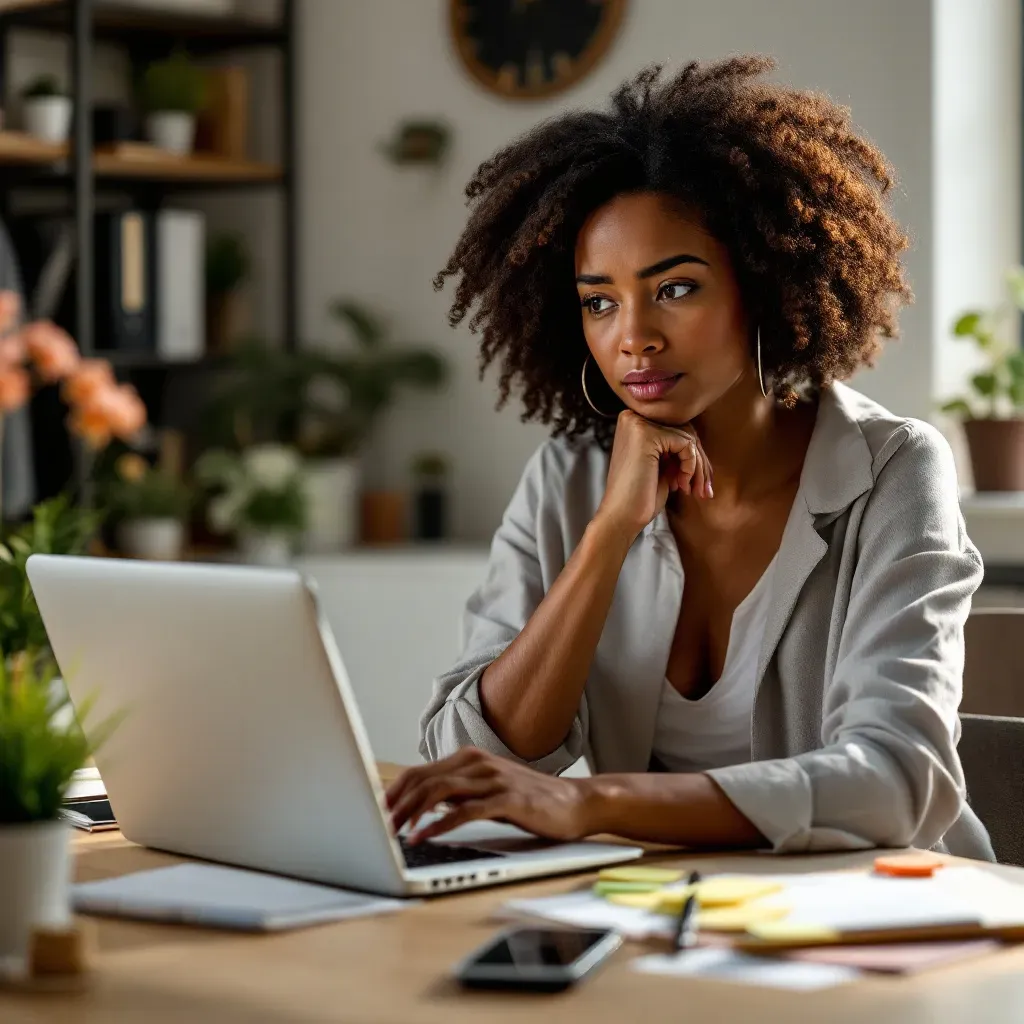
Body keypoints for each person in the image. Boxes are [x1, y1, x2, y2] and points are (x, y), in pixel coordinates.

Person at [387, 56, 993, 860]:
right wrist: (608, 535)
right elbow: (479, 763)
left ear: (765, 284)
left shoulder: (894, 472)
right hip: (670, 918)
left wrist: (592, 802)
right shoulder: (571, 479)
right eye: (599, 302)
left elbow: (895, 781)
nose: (632, 334)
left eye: (674, 288)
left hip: (880, 921)